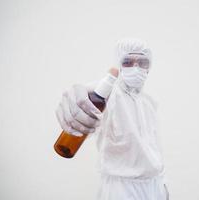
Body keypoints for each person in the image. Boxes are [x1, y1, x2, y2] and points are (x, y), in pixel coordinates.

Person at [55, 38, 169, 200]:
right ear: (119, 65)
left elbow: (154, 148)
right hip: (121, 189)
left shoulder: (149, 102)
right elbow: (87, 95)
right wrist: (75, 99)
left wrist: (162, 184)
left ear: (149, 68)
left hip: (155, 185)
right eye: (128, 62)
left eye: (142, 62)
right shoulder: (110, 96)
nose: (135, 68)